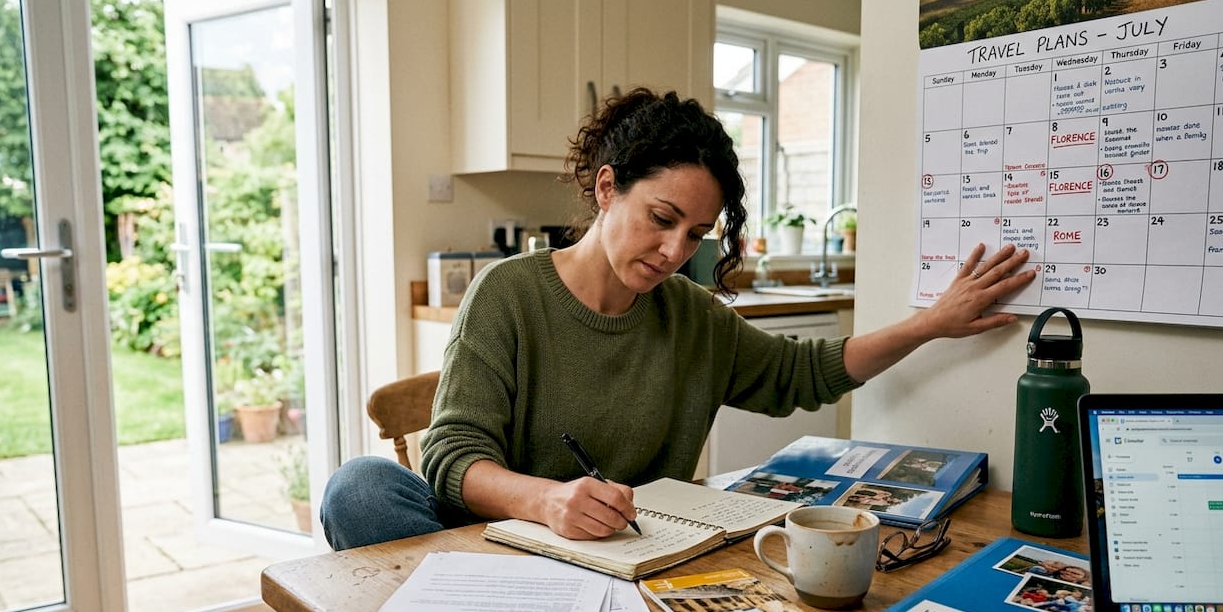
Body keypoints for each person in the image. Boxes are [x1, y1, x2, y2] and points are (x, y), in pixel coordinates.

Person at [320, 88, 1036, 551]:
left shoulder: (694, 319)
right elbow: (449, 458)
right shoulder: (507, 294)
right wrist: (547, 502)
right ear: (607, 189)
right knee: (359, 487)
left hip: (621, 558)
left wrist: (930, 323)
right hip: (494, 543)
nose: (674, 252)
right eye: (662, 220)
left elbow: (806, 373)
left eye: (696, 235)